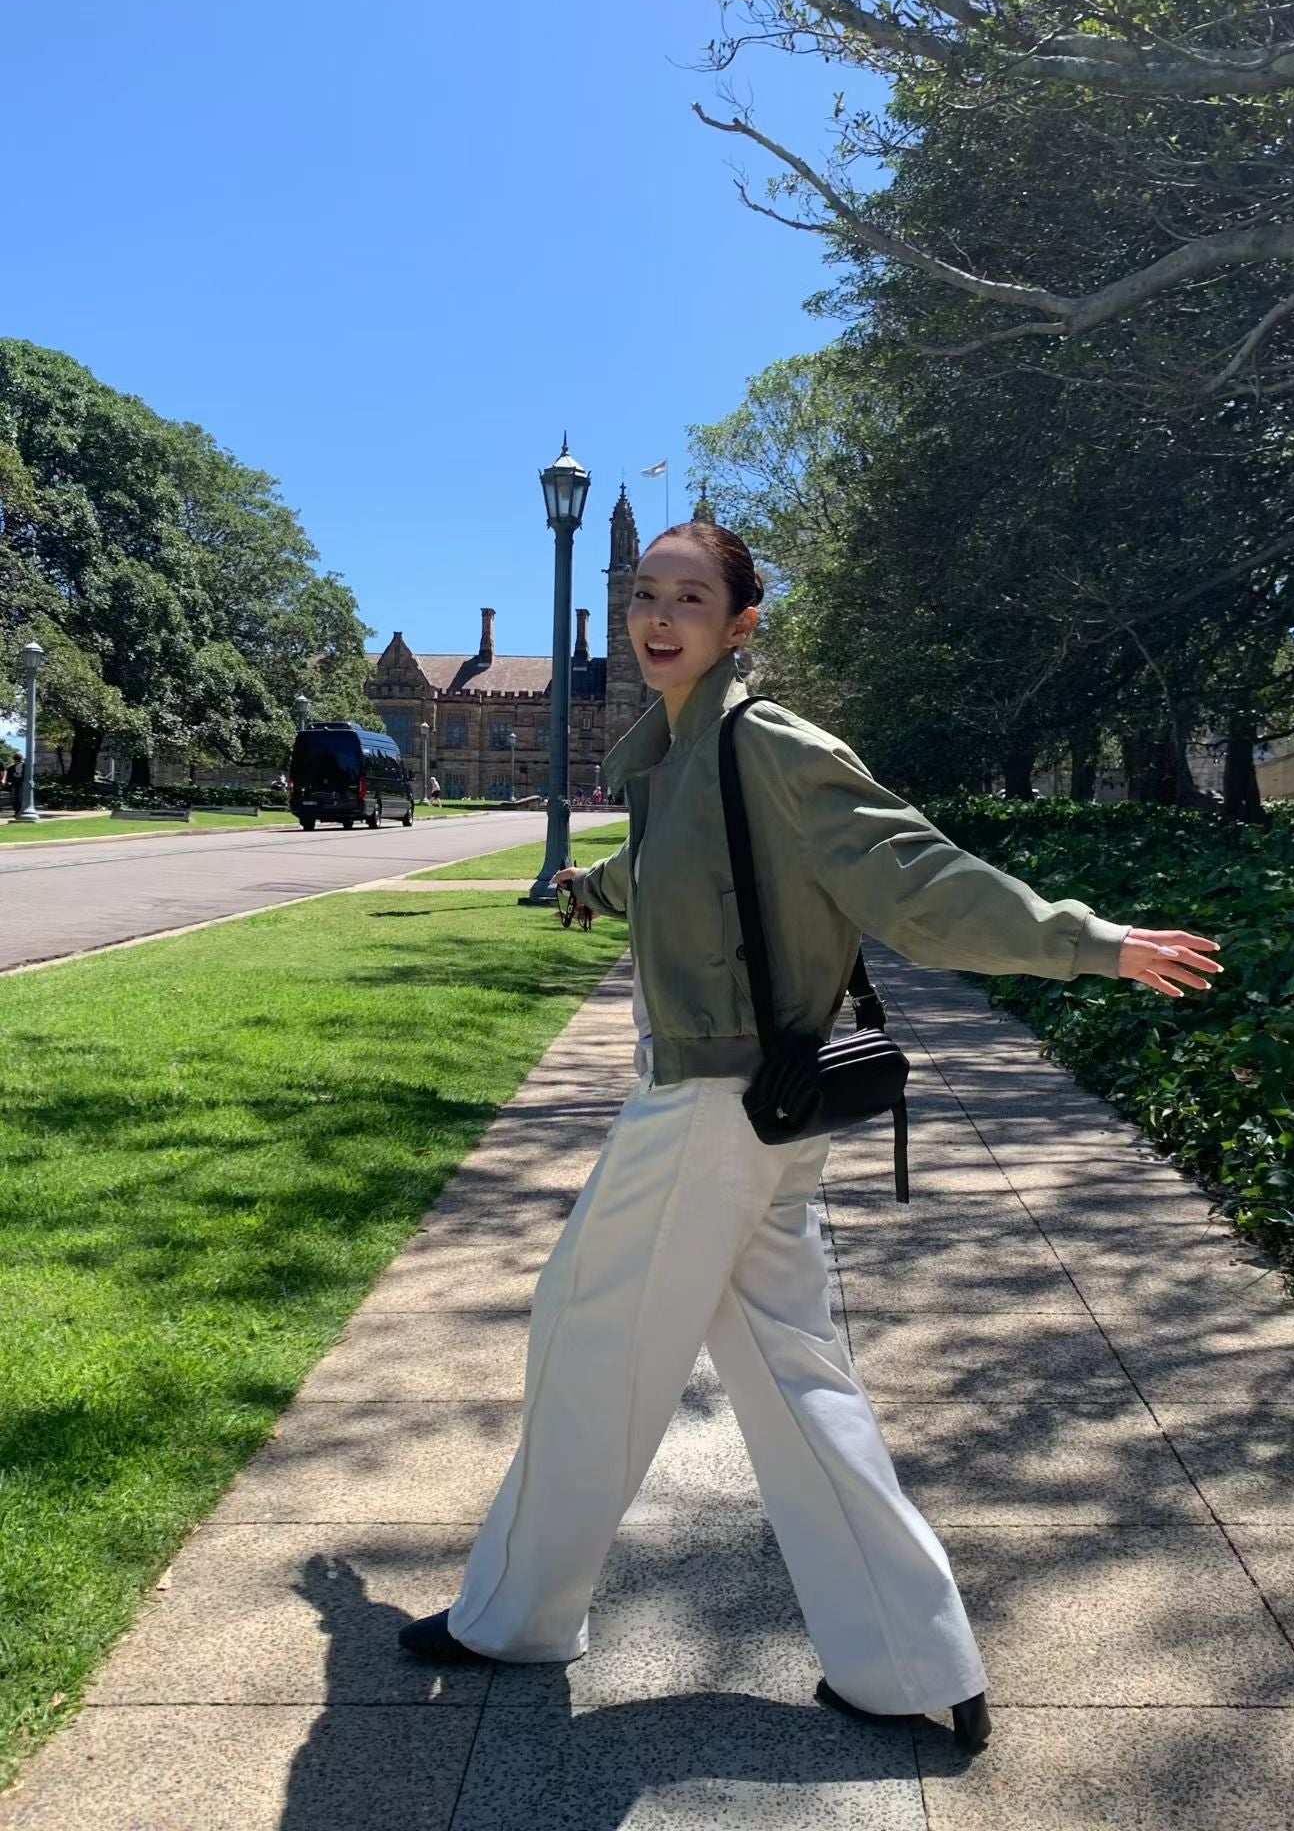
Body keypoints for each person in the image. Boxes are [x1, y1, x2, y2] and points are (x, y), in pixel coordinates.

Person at [398, 521, 1222, 1755]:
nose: (658, 616)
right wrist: (586, 889)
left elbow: (915, 878)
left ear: (741, 625)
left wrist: (1089, 942)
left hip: (714, 1111)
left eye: (690, 598)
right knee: (794, 1380)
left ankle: (516, 1617)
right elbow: (658, 866)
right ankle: (910, 1663)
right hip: (753, 1123)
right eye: (645, 594)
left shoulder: (770, 745)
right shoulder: (679, 753)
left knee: (583, 1338)